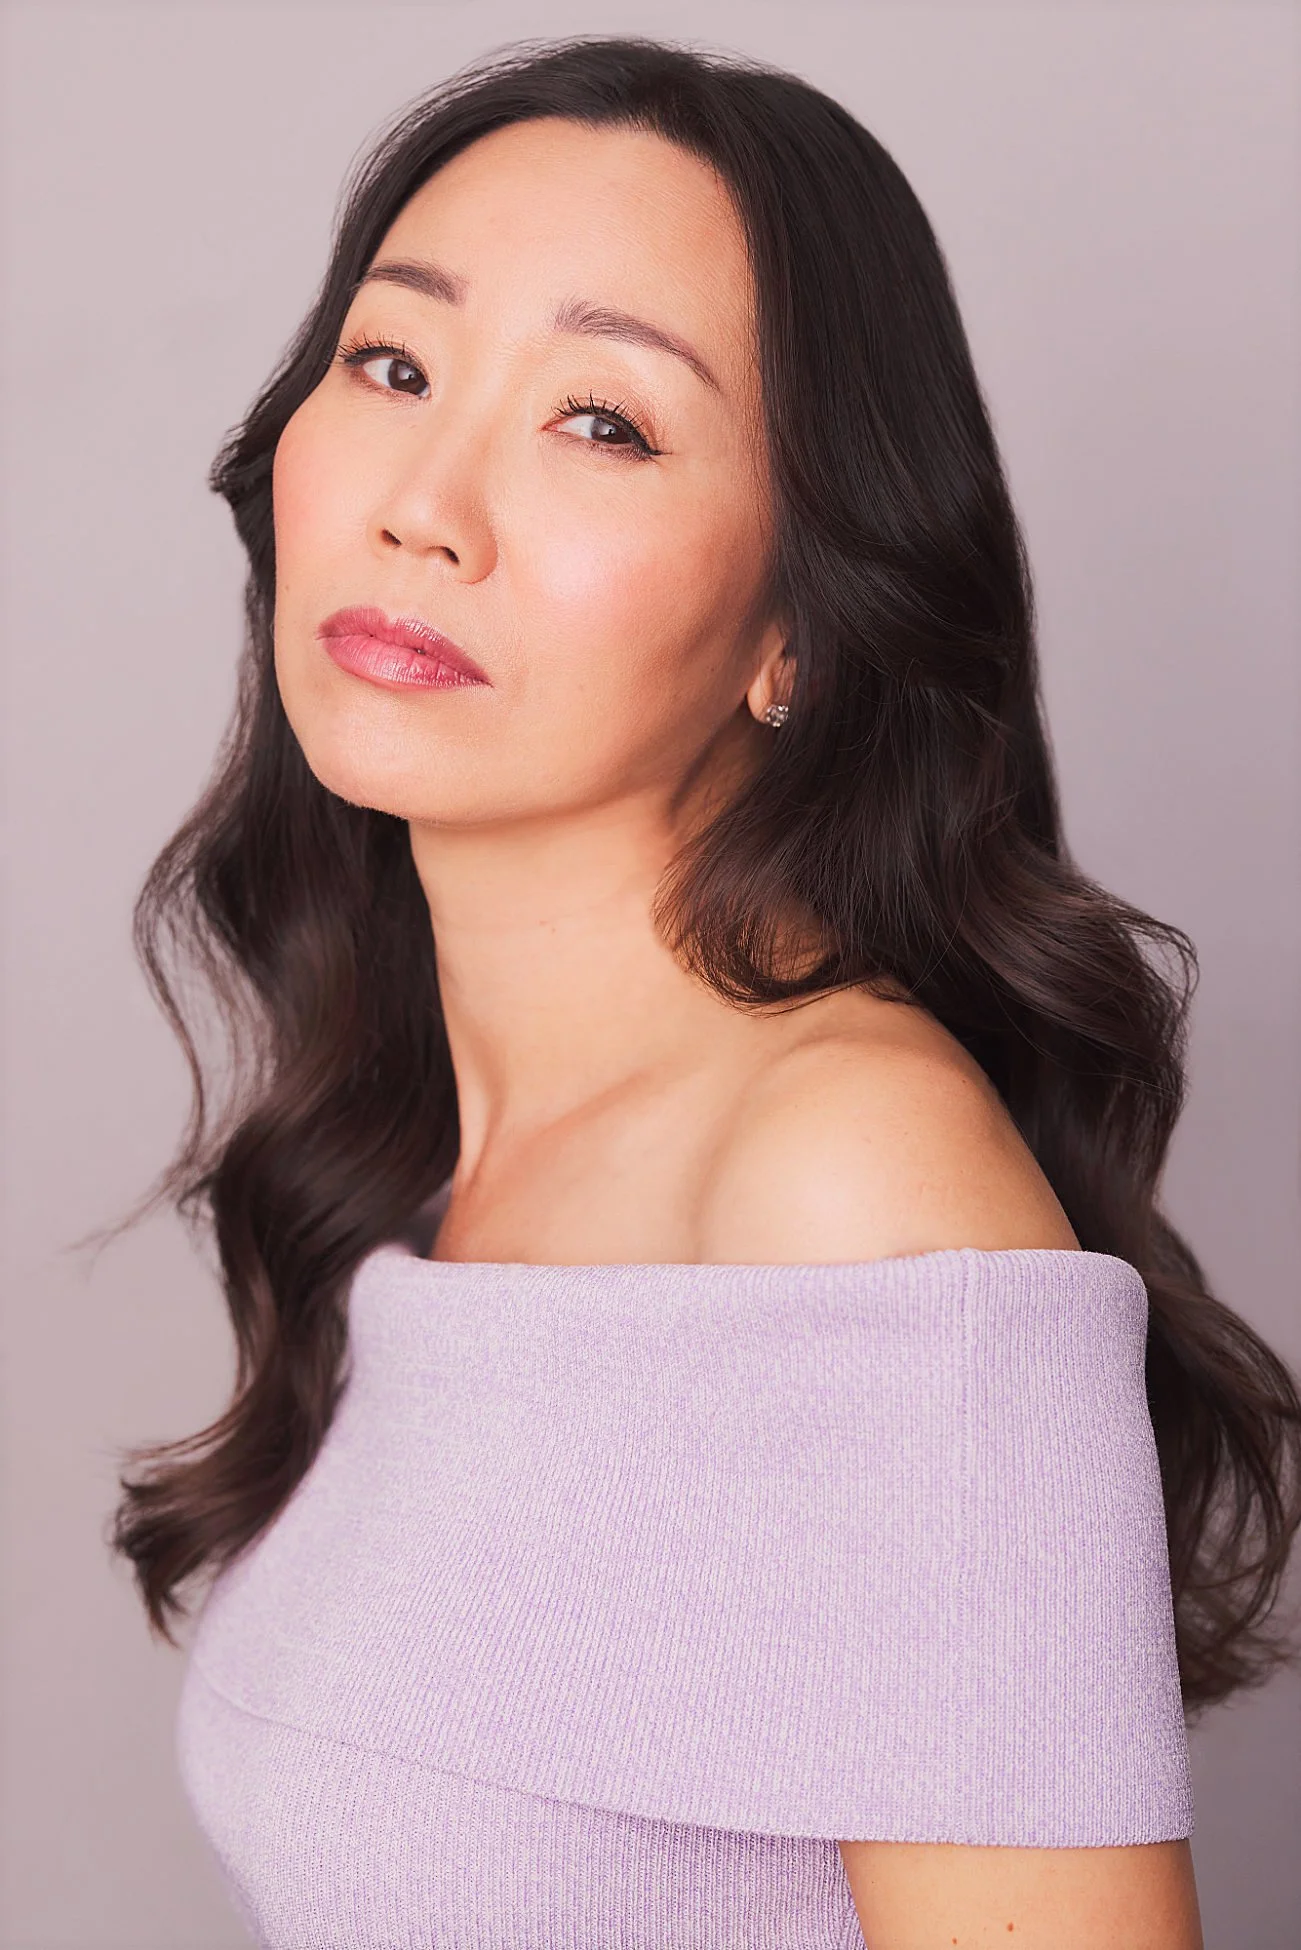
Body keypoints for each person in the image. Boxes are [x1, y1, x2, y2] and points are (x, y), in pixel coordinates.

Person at [112, 35, 1301, 1949]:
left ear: (798, 629)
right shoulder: (443, 1146)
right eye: (394, 365)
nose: (427, 501)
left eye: (604, 423)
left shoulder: (848, 1174)